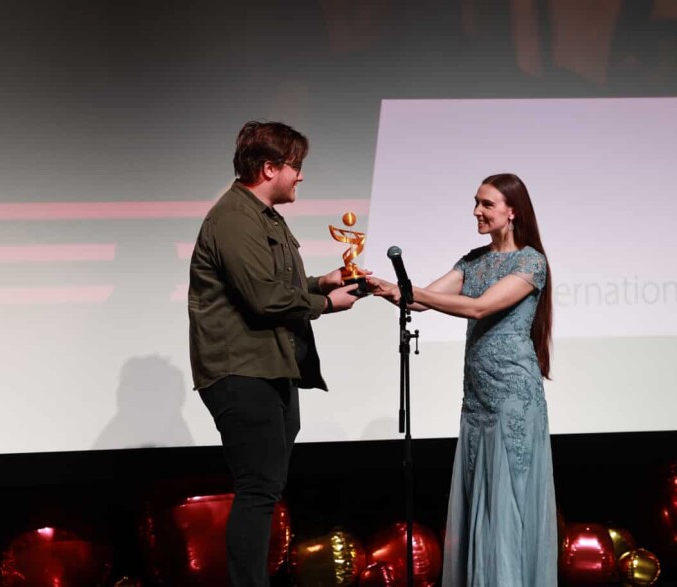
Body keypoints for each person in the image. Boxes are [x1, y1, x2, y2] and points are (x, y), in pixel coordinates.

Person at [188, 121, 361, 587]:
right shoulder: (233, 219)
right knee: (258, 489)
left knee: (266, 488)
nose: (300, 176)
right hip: (241, 369)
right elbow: (263, 299)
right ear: (269, 169)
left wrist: (321, 283)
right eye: (295, 166)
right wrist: (325, 304)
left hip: (271, 367)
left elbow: (273, 286)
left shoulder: (264, 218)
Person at [369, 173, 557, 586]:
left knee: (507, 504)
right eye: (476, 202)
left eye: (487, 204)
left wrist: (410, 289)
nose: (477, 211)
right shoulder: (472, 260)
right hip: (477, 400)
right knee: (481, 500)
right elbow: (419, 302)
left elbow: (479, 308)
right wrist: (385, 288)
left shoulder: (530, 261)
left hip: (513, 399)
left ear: (513, 212)